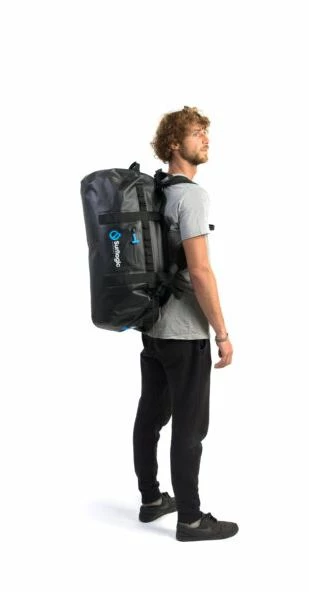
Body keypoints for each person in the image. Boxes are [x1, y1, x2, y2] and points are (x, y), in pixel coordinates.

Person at [133, 106, 238, 542]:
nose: (206, 140)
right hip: (185, 332)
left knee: (151, 415)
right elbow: (200, 271)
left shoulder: (155, 191)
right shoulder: (191, 197)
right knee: (190, 428)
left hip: (152, 326)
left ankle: (151, 500)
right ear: (174, 144)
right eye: (197, 133)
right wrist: (222, 333)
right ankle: (191, 519)